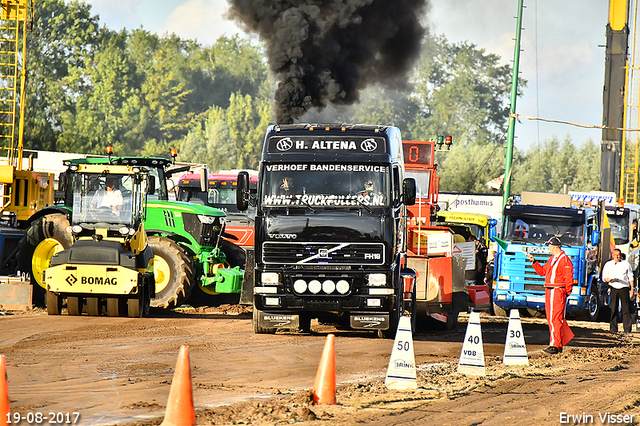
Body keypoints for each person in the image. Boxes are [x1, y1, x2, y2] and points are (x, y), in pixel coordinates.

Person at [526, 236, 574, 354]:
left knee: (555, 318)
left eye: (549, 246)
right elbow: (542, 272)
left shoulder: (564, 260)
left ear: (554, 247)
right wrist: (534, 261)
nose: (548, 248)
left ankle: (555, 345)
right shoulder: (553, 258)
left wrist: (565, 292)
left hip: (557, 290)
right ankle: (557, 343)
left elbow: (569, 279)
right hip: (551, 290)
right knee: (552, 318)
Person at [602, 249, 634, 337]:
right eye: (615, 255)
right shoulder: (608, 264)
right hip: (613, 287)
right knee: (613, 308)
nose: (617, 256)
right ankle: (613, 329)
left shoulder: (625, 264)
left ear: (621, 256)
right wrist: (607, 279)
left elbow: (631, 277)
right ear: (612, 255)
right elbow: (604, 276)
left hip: (623, 287)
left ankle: (627, 329)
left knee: (625, 309)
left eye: (618, 255)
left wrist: (632, 289)